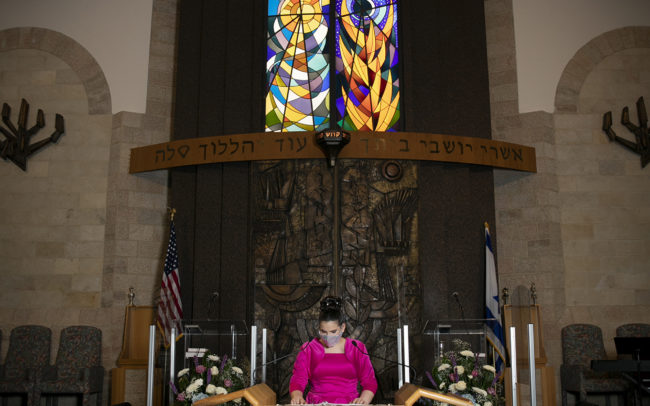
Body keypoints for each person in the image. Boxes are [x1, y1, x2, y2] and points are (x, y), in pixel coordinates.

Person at [289, 296, 377, 405]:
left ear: (343, 327)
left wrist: (363, 400)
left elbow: (370, 382)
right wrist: (297, 397)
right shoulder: (309, 348)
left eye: (333, 331)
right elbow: (298, 380)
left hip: (349, 404)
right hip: (316, 404)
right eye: (323, 331)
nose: (328, 336)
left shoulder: (357, 348)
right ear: (318, 328)